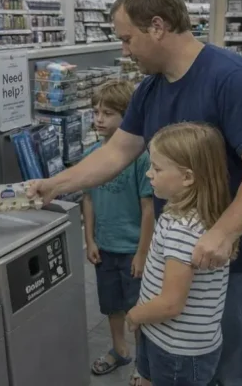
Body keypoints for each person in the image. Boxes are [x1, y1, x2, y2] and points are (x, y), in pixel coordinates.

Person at [27, 0, 242, 386]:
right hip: (178, 257)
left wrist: (222, 233)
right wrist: (55, 184)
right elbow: (115, 153)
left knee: (234, 368)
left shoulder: (232, 78)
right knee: (186, 358)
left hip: (235, 260)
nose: (124, 51)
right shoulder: (150, 90)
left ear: (158, 26)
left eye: (127, 39)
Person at [126, 122, 235, 386]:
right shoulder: (198, 216)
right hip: (170, 341)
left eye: (157, 168)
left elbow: (171, 304)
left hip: (176, 351)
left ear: (187, 177)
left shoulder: (184, 229)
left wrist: (135, 315)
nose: (149, 174)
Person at [84, 80, 154, 384]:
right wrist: (89, 238)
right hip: (104, 246)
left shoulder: (140, 157)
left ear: (127, 116)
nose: (99, 119)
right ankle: (119, 349)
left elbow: (148, 208)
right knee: (111, 304)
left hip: (131, 248)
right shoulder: (91, 152)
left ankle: (144, 363)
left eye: (108, 113)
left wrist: (142, 252)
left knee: (138, 310)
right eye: (96, 111)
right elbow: (87, 197)